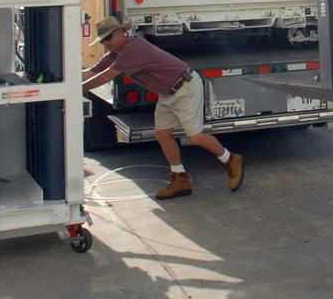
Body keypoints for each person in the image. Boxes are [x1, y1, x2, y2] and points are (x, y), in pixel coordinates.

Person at [82, 16, 244, 199]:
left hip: (185, 88)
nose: (106, 43)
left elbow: (106, 76)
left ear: (121, 32)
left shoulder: (134, 48)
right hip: (167, 93)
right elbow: (91, 72)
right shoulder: (114, 55)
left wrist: (77, 88)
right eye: (103, 40)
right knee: (162, 134)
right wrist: (63, 80)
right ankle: (180, 179)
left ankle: (230, 159)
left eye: (108, 38)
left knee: (195, 136)